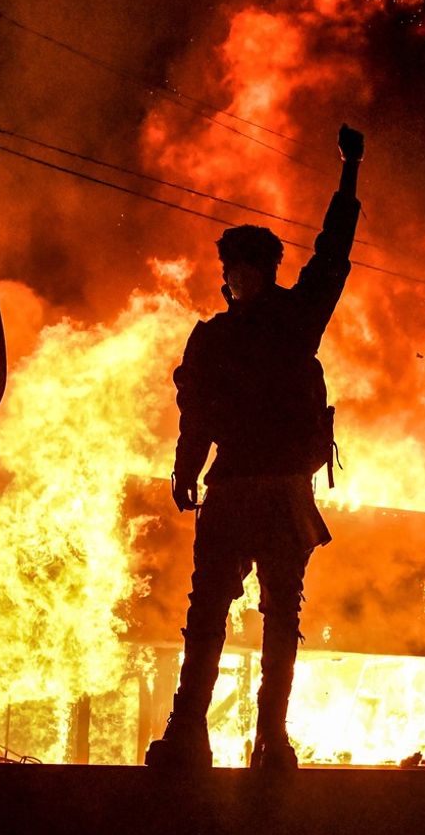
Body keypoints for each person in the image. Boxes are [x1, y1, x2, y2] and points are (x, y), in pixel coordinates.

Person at [145, 123, 364, 771]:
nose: (236, 278)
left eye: (238, 268)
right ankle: (266, 740)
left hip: (240, 489)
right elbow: (333, 253)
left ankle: (196, 735)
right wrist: (350, 168)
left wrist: (187, 470)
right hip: (276, 493)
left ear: (238, 274)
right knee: (274, 619)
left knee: (212, 612)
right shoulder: (296, 319)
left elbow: (197, 414)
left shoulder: (215, 337)